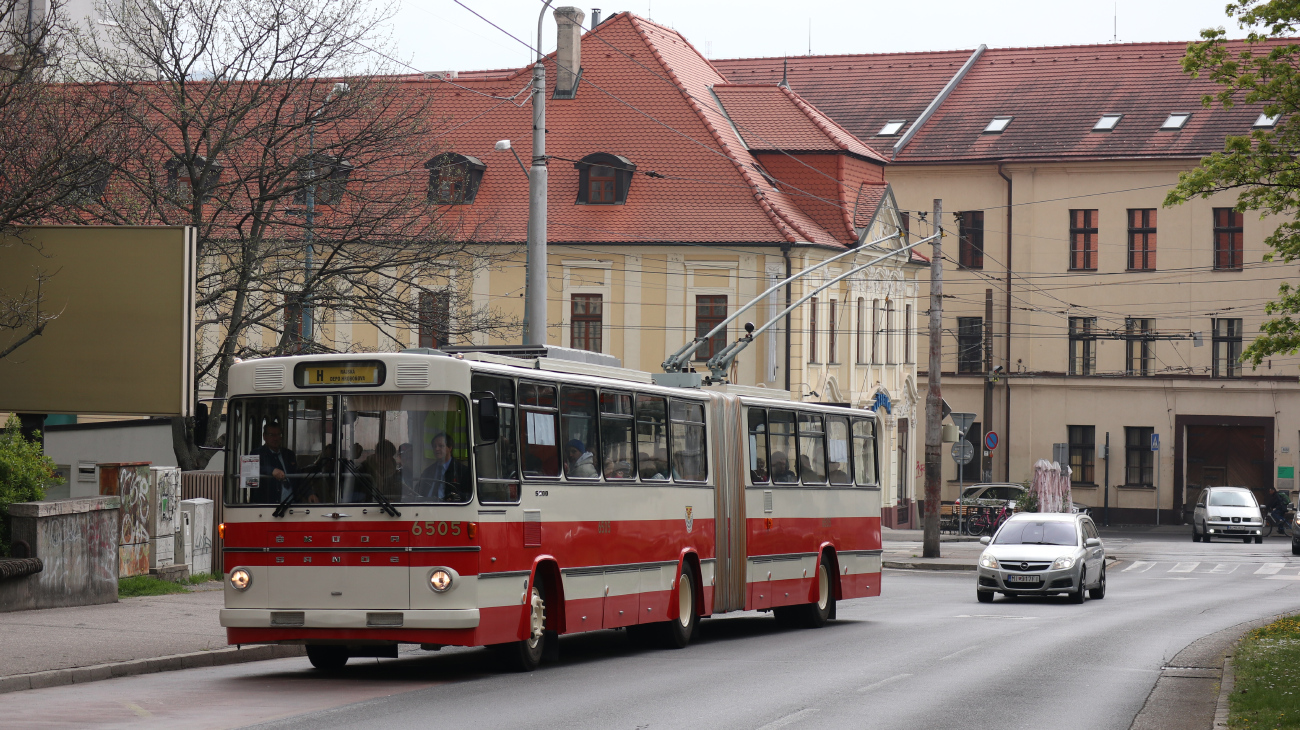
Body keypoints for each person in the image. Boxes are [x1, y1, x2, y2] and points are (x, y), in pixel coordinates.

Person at [415, 432, 471, 502]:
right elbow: (417, 491)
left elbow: (469, 495)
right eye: (434, 446)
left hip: (449, 509)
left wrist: (456, 496)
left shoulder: (463, 471)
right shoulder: (428, 471)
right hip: (426, 507)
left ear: (450, 448)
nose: (436, 449)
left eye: (440, 446)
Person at [256, 423, 304, 503]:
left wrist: (310, 493)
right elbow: (252, 469)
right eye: (271, 435)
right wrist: (271, 470)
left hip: (292, 506)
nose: (275, 438)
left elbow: (298, 476)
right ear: (264, 436)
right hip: (267, 507)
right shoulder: (257, 453)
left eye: (278, 435)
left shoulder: (289, 454)